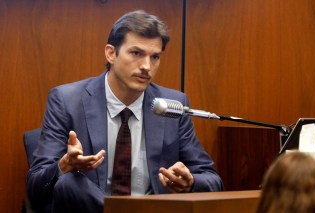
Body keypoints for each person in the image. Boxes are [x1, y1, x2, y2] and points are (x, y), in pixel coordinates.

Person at [27, 10, 223, 213]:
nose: (147, 66)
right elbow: (36, 187)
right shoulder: (67, 101)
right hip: (93, 207)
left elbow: (212, 180)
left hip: (153, 209)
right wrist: (64, 165)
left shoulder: (173, 105)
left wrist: (190, 182)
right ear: (111, 53)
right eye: (136, 53)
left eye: (155, 57)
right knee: (70, 183)